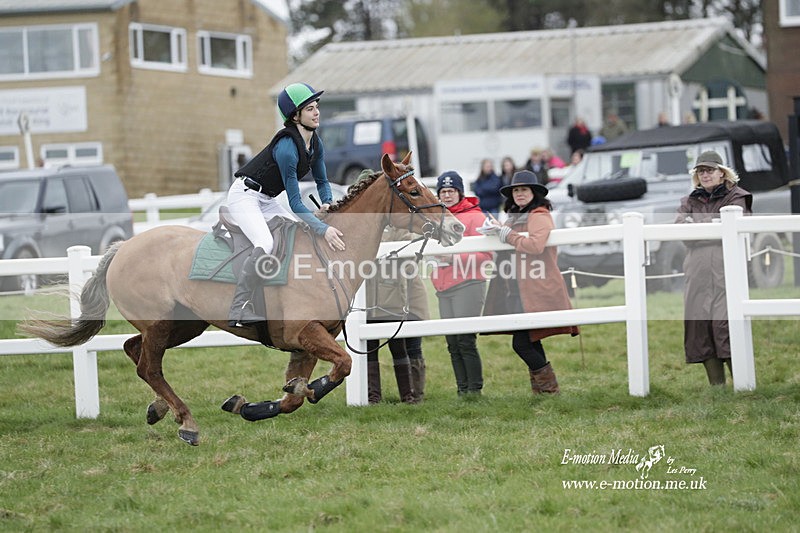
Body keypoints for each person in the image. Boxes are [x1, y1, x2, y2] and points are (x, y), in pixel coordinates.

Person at [226, 82, 345, 326]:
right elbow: (294, 203)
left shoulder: (315, 143)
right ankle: (238, 308)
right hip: (245, 195)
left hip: (267, 199)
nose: (316, 112)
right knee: (266, 242)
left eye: (316, 107)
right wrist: (323, 228)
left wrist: (328, 203)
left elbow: (322, 181)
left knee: (300, 234)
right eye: (310, 108)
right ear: (295, 116)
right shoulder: (287, 149)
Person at [483, 170, 579, 394]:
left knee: (522, 344)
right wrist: (498, 230)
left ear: (534, 192)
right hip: (517, 288)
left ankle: (549, 389)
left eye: (524, 189)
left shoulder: (539, 215)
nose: (519, 194)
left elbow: (535, 245)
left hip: (536, 287)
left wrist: (507, 235)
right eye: (516, 190)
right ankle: (544, 392)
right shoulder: (516, 217)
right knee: (531, 340)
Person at [675, 151, 752, 385]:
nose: (705, 174)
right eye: (701, 171)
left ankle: (743, 383)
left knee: (725, 325)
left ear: (722, 172)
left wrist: (697, 226)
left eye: (709, 170)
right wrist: (711, 226)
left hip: (725, 273)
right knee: (701, 329)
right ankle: (717, 388)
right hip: (697, 274)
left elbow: (732, 227)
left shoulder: (737, 196)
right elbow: (681, 230)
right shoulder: (689, 200)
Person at [432, 171, 493, 397]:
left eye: (451, 191)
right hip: (443, 287)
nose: (447, 195)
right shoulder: (437, 217)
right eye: (443, 191)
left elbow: (487, 254)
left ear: (460, 192)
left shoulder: (475, 217)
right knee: (452, 343)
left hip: (468, 284)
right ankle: (461, 390)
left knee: (465, 340)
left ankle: (474, 391)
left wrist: (454, 259)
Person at [365, 225, 430, 404]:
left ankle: (411, 395)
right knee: (369, 348)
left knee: (403, 348)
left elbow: (409, 255)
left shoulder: (399, 228)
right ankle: (373, 397)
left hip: (396, 298)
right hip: (369, 297)